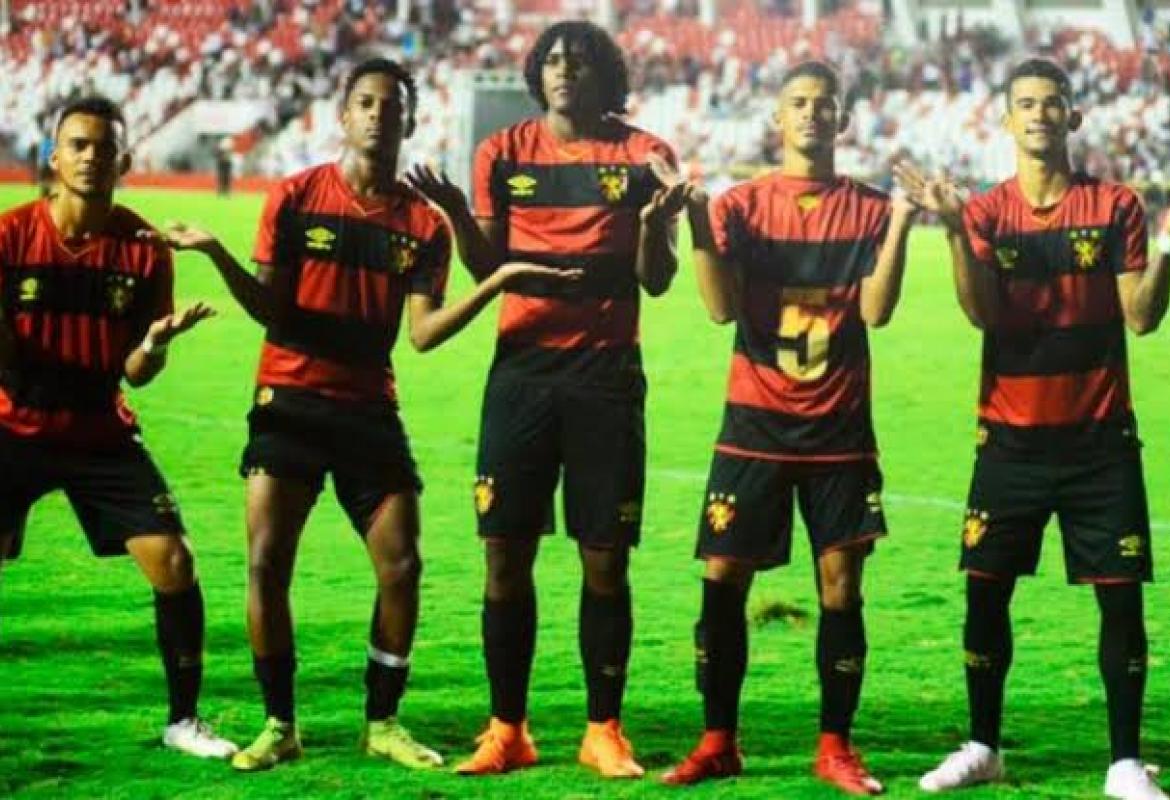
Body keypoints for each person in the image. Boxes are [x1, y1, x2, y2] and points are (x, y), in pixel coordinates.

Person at [151, 57, 578, 773]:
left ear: (410, 120)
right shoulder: (295, 197)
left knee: (402, 566)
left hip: (368, 407)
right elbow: (272, 309)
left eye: (392, 105)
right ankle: (280, 724)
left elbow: (423, 333)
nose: (379, 114)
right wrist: (219, 254)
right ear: (343, 115)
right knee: (266, 564)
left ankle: (382, 722)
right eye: (367, 103)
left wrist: (498, 281)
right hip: (288, 400)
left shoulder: (423, 224)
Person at [406, 19, 688, 778]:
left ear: (605, 74)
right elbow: (486, 267)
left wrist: (655, 224)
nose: (565, 70)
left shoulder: (643, 153)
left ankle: (604, 730)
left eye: (580, 61)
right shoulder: (502, 152)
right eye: (554, 60)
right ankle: (508, 729)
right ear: (538, 73)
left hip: (606, 377)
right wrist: (455, 212)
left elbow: (658, 279)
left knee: (605, 561)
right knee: (505, 556)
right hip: (522, 376)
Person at [906, 58, 1170, 799]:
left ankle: (1124, 762)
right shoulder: (988, 213)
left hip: (1100, 442)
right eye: (1026, 103)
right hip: (1010, 441)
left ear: (1073, 116)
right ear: (1007, 119)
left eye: (1053, 103)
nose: (1040, 114)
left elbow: (1141, 317)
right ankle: (983, 746)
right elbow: (982, 314)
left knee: (1120, 598)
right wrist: (953, 230)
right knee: (985, 594)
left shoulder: (1115, 205)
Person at [657, 61, 920, 795]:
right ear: (778, 118)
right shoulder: (741, 206)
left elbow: (876, 312)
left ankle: (835, 748)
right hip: (754, 426)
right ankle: (718, 741)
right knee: (722, 580)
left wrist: (903, 221)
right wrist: (697, 218)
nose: (810, 113)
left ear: (842, 119)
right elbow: (719, 308)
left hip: (839, 430)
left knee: (841, 587)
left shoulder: (869, 209)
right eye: (798, 103)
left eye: (823, 104)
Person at [0, 96, 235, 759]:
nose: (91, 156)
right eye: (78, 144)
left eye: (105, 148)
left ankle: (183, 721)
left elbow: (136, 372)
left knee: (175, 562)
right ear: (54, 157)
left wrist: (154, 345)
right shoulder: (11, 238)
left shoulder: (143, 250)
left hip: (100, 430)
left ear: (125, 161)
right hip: (14, 426)